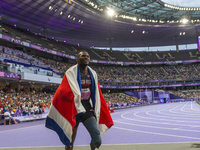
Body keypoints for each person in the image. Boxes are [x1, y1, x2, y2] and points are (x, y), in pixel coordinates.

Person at [46, 51, 113, 150]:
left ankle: (92, 146)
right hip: (74, 106)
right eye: (83, 56)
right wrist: (77, 99)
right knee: (70, 139)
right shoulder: (70, 72)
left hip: (86, 106)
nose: (85, 58)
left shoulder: (93, 73)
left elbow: (96, 93)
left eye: (87, 56)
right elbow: (64, 90)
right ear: (77, 59)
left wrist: (94, 107)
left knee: (96, 137)